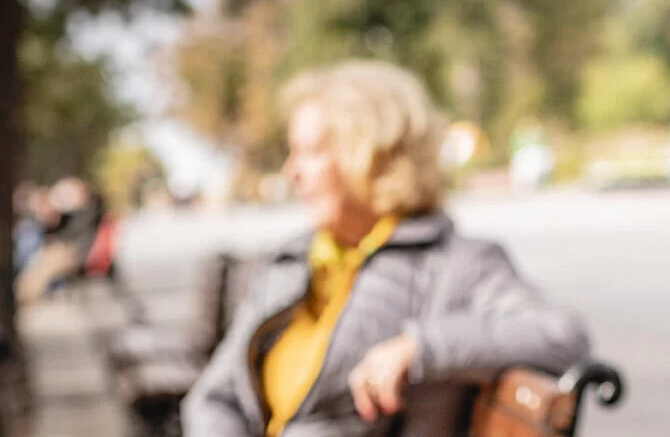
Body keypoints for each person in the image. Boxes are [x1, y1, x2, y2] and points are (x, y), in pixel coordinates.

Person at [182, 61, 590, 436]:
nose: (292, 172)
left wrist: (420, 347)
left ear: (372, 156)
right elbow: (215, 398)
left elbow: (562, 335)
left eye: (309, 152)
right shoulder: (293, 260)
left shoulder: (456, 265)